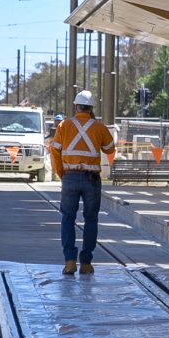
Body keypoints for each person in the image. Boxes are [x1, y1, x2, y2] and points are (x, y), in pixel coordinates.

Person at [49, 91, 116, 275]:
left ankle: (70, 261)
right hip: (91, 179)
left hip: (70, 176)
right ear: (91, 108)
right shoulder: (99, 127)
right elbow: (110, 149)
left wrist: (62, 174)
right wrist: (95, 130)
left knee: (68, 218)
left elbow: (54, 151)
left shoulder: (64, 125)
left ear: (76, 106)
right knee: (91, 219)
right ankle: (86, 263)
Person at [46, 114, 64, 181]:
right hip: (52, 150)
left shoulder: (64, 129)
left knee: (59, 163)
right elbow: (49, 139)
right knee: (53, 163)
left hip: (61, 150)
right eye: (56, 121)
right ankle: (54, 176)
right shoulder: (52, 130)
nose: (58, 122)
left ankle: (58, 176)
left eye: (59, 121)